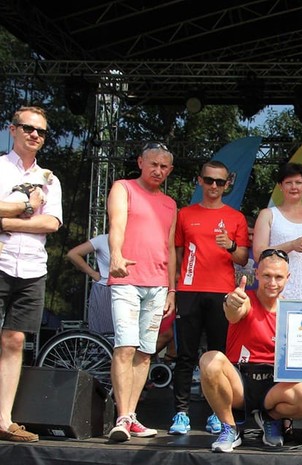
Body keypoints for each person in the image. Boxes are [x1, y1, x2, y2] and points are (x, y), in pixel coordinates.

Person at [198, 249, 302, 452]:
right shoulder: (245, 300)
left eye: (278, 277)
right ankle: (229, 427)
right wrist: (231, 303)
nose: (272, 282)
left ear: (288, 278)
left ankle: (269, 418)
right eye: (267, 275)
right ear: (257, 274)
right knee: (209, 360)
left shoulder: (295, 311)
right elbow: (233, 312)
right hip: (239, 382)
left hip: (274, 386)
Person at [168, 160, 249, 436]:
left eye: (220, 182)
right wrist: (174, 287)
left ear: (227, 185)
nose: (214, 186)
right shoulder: (185, 214)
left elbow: (243, 258)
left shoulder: (236, 217)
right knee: (185, 355)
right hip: (189, 291)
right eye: (209, 180)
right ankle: (181, 413)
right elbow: (177, 254)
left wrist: (232, 245)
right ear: (200, 180)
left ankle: (218, 413)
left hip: (221, 293)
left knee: (219, 355)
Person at [106, 142, 177, 442]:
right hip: (127, 280)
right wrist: (116, 256)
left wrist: (172, 289)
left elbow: (170, 248)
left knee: (146, 353)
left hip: (158, 284)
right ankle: (122, 416)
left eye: (163, 166)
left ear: (170, 170)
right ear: (140, 163)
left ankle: (131, 415)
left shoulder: (170, 203)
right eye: (153, 164)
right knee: (125, 347)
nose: (158, 170)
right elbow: (116, 225)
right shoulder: (123, 188)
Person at [0, 106, 61, 443]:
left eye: (41, 131)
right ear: (13, 129)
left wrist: (6, 220)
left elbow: (51, 223)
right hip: (0, 261)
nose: (35, 135)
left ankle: (3, 420)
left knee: (15, 340)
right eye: (28, 128)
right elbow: (37, 215)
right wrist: (26, 207)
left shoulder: (49, 179)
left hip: (33, 268)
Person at [253, 162, 302, 299]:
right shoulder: (268, 215)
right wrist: (291, 245)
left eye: (298, 182)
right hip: (278, 293)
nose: (294, 187)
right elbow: (258, 254)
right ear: (280, 186)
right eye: (288, 183)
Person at [66, 233, 113, 334]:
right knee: (104, 333)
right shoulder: (103, 239)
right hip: (105, 288)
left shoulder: (134, 239)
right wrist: (93, 273)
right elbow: (73, 254)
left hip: (129, 288)